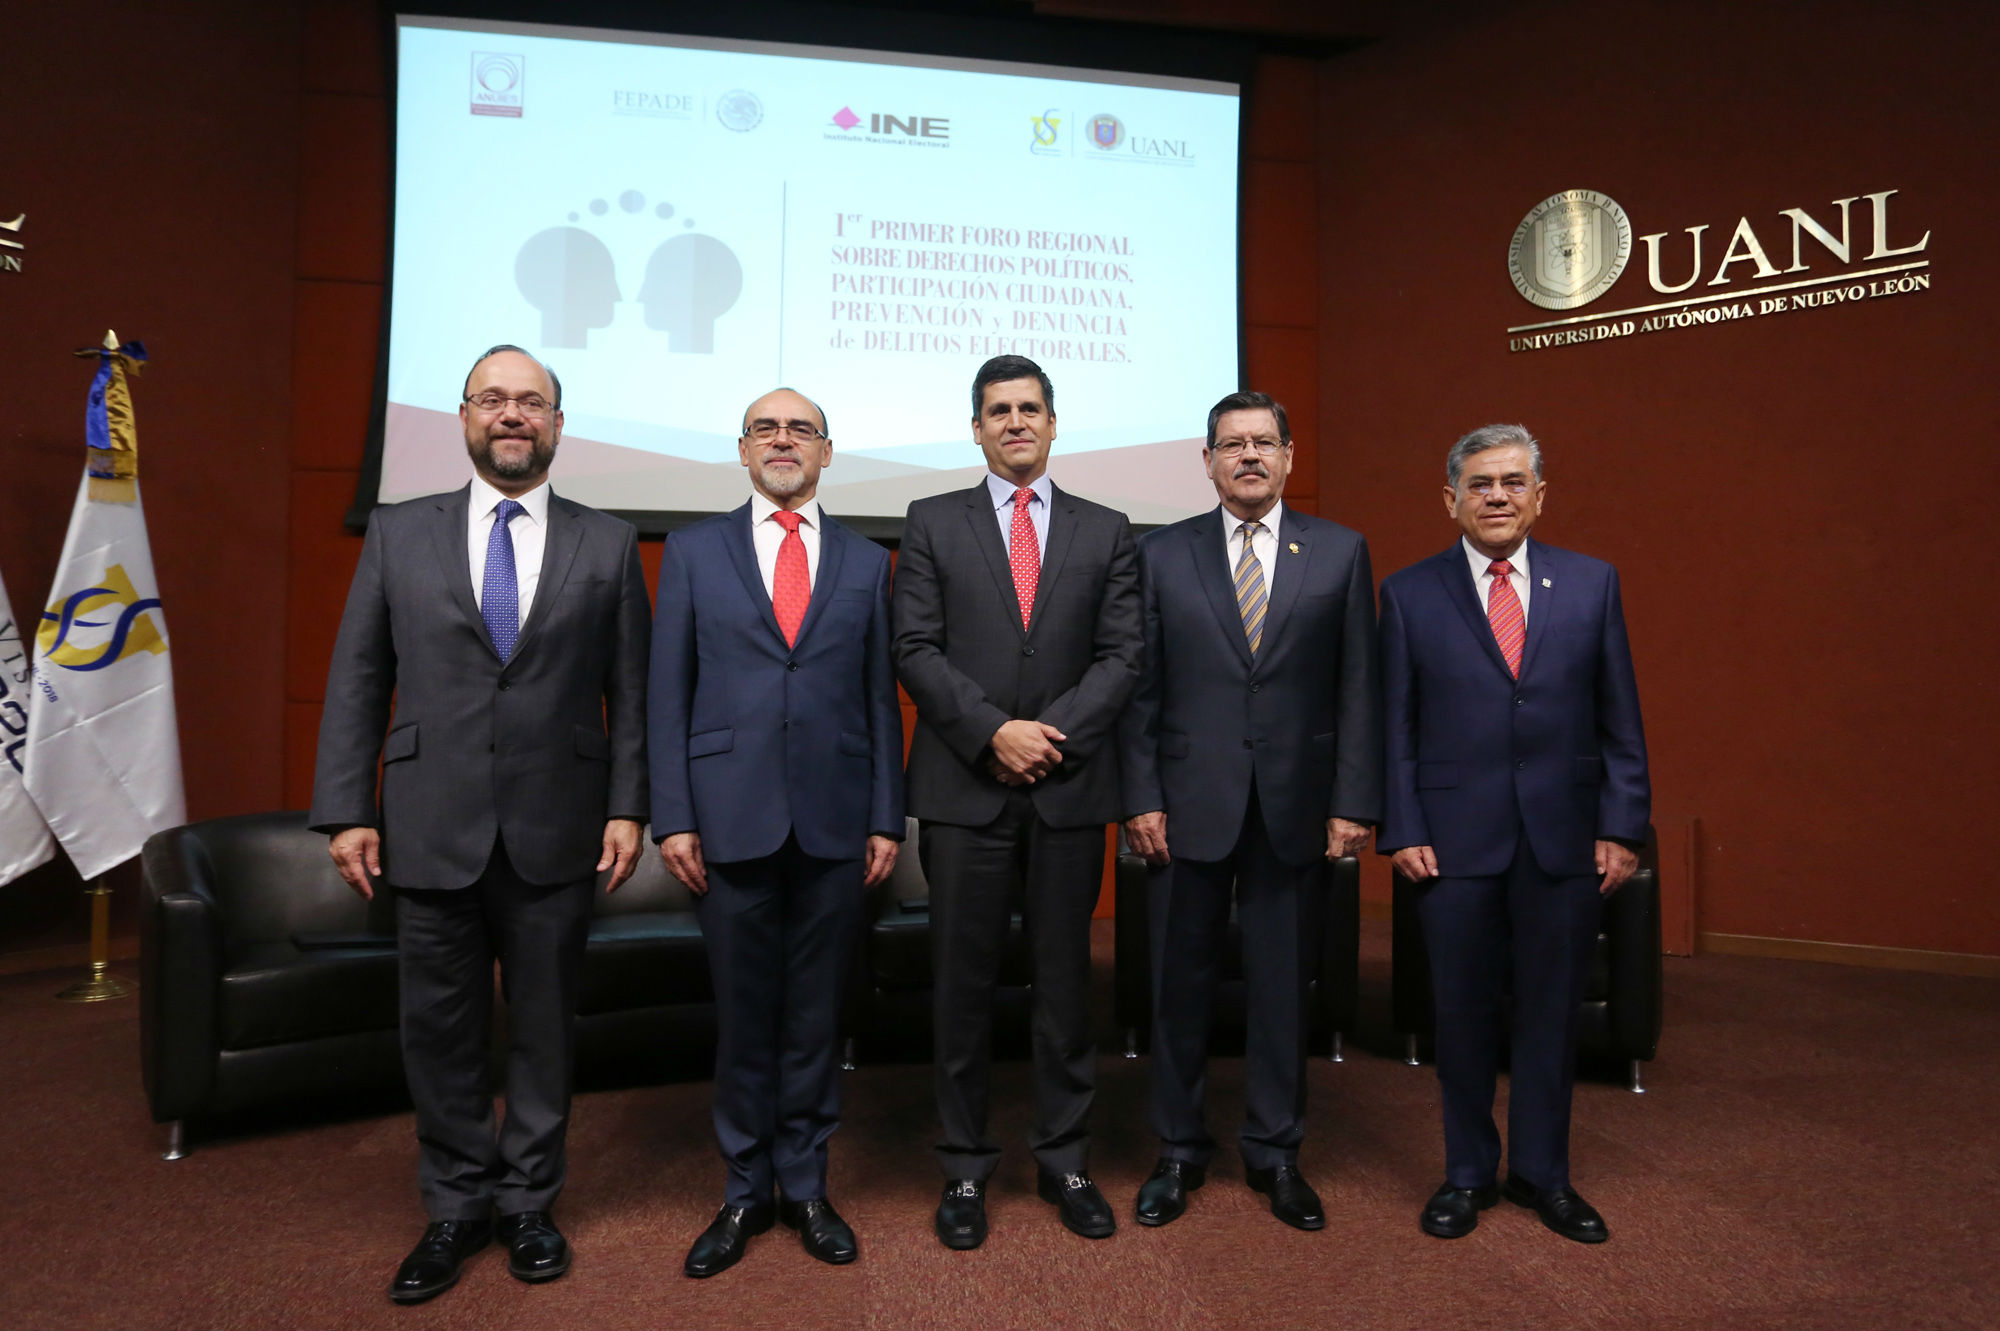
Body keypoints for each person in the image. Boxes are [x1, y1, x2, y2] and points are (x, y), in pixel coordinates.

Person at [309, 344, 650, 1303]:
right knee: (440, 1028)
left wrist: (629, 804)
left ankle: (530, 1202)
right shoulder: (399, 531)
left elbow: (634, 691)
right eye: (494, 400)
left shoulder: (609, 542)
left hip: (561, 824)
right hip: (427, 820)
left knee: (545, 1025)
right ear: (463, 418)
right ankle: (456, 1205)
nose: (513, 415)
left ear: (556, 423)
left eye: (531, 402)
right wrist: (346, 807)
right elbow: (359, 676)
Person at [649, 388, 903, 1278]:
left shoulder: (871, 563)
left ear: (827, 454)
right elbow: (665, 693)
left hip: (837, 820)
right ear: (743, 449)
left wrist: (885, 815)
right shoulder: (691, 550)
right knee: (745, 1015)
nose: (783, 440)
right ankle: (742, 1189)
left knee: (814, 1015)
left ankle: (805, 1182)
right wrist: (673, 814)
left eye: (801, 429)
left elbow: (880, 700)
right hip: (727, 818)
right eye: (767, 427)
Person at [892, 354, 1142, 1248]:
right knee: (960, 986)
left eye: (1029, 408)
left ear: (1052, 421)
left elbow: (1123, 656)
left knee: (1067, 985)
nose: (1015, 422)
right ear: (975, 427)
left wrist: (1045, 735)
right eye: (997, 410)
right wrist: (994, 730)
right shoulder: (930, 522)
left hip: (1070, 792)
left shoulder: (1107, 529)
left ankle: (1065, 1156)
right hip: (966, 789)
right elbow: (914, 646)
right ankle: (963, 1165)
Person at [1377, 424, 1649, 1245]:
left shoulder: (1593, 583)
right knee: (1459, 1015)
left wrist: (1622, 824)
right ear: (1450, 498)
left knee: (1550, 1012)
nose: (1497, 495)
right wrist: (1404, 825)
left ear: (1539, 495)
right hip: (1451, 843)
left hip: (1564, 839)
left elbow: (1620, 719)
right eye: (1481, 482)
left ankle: (1542, 1173)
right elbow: (1397, 727)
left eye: (1513, 481)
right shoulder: (1409, 592)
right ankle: (1466, 1172)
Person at [1118, 390, 1382, 1231]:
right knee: (1178, 988)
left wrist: (1352, 799)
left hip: (1296, 808)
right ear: (1206, 462)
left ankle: (1276, 1152)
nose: (1248, 456)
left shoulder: (1340, 552)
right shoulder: (1160, 555)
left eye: (1264, 442)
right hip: (1185, 807)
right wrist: (1142, 794)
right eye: (1231, 444)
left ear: (1290, 456)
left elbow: (1358, 687)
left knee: (1281, 990)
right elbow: (1138, 692)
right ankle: (1178, 1148)